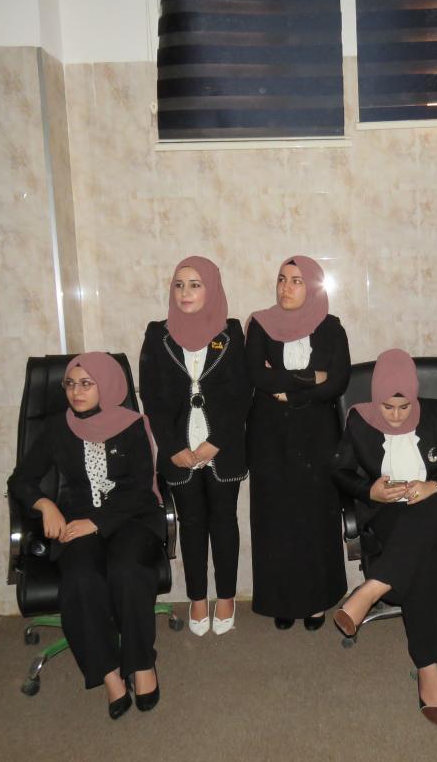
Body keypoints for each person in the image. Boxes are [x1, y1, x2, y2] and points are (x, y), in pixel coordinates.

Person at [332, 349, 437, 726]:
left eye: (405, 407)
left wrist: (434, 485)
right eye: (388, 407)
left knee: (430, 518)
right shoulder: (359, 422)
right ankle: (427, 668)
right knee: (424, 558)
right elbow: (339, 471)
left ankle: (373, 588)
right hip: (394, 515)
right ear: (375, 398)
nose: (396, 416)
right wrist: (370, 491)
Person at [7, 352, 164, 719]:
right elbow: (21, 479)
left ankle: (142, 663)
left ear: (106, 386)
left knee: (128, 571)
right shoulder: (58, 428)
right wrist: (46, 504)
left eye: (86, 383)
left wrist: (98, 522)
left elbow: (141, 488)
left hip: (131, 517)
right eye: (70, 384)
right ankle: (108, 673)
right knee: (80, 579)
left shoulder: (132, 425)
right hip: (77, 520)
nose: (76, 392)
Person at [139, 257, 250, 637]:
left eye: (195, 284)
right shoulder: (158, 334)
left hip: (222, 450)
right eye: (179, 285)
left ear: (212, 289)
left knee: (224, 521)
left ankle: (226, 596)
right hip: (179, 450)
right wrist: (171, 447)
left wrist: (216, 442)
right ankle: (198, 598)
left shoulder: (231, 333)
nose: (185, 293)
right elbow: (152, 397)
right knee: (191, 524)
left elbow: (242, 395)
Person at [245, 256, 351, 631]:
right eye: (281, 279)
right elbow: (256, 376)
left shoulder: (331, 326)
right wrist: (311, 378)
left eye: (296, 281)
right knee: (275, 519)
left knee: (315, 519)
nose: (286, 288)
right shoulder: (260, 324)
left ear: (312, 287)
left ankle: (317, 600)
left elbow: (337, 381)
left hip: (317, 436)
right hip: (269, 437)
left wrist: (289, 390)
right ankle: (282, 600)